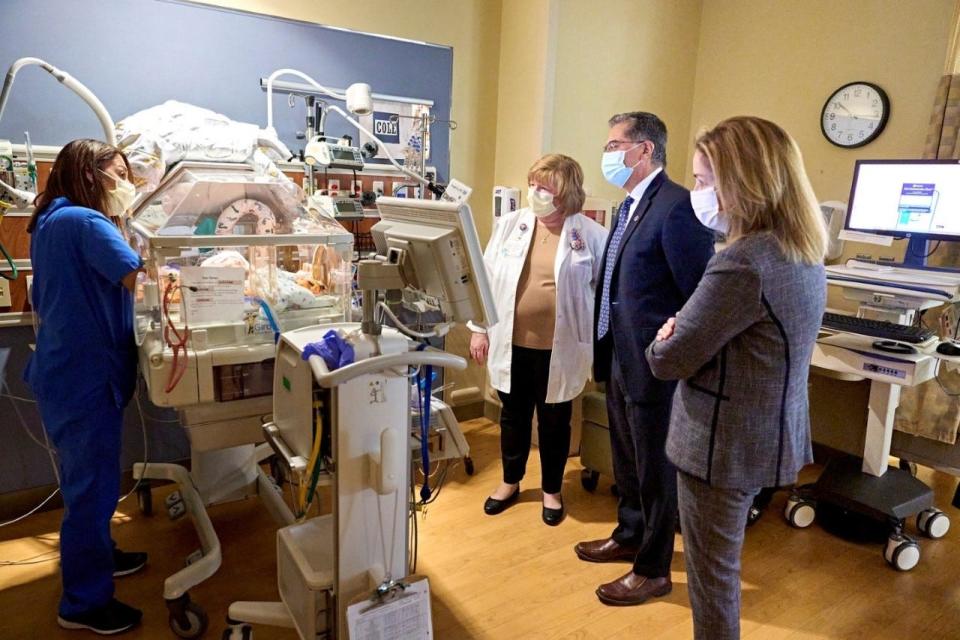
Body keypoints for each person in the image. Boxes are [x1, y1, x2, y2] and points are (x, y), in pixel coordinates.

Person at [646, 116, 827, 639]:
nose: (697, 193)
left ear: (741, 183)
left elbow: (668, 359)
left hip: (720, 444)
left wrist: (664, 337)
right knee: (721, 565)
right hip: (765, 434)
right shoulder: (803, 250)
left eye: (704, 181)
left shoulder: (743, 262)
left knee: (712, 576)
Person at [575, 112, 715, 605]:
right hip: (620, 352)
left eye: (616, 145)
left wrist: (670, 346)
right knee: (628, 456)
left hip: (656, 362)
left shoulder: (678, 207)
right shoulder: (629, 205)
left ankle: (653, 568)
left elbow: (699, 293)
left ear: (645, 151)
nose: (608, 153)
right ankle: (630, 532)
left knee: (656, 467)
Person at [24, 139, 146, 635]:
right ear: (91, 174)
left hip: (67, 372)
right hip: (85, 377)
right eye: (119, 173)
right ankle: (83, 603)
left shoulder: (51, 220)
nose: (126, 185)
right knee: (91, 492)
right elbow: (141, 278)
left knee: (90, 481)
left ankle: (104, 556)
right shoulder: (85, 222)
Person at [469, 154, 607, 526]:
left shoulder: (590, 235)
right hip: (511, 342)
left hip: (560, 348)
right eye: (533, 184)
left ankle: (551, 490)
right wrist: (479, 329)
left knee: (554, 421)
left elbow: (604, 293)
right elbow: (484, 278)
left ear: (566, 192)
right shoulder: (511, 224)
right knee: (513, 417)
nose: (536, 192)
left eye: (545, 187)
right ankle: (510, 482)